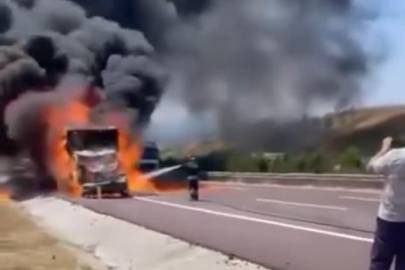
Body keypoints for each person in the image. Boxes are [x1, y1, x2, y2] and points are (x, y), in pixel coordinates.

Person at [367, 137, 405, 270]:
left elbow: (371, 166)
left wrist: (384, 149)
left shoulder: (394, 156)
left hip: (389, 219)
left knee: (380, 263)